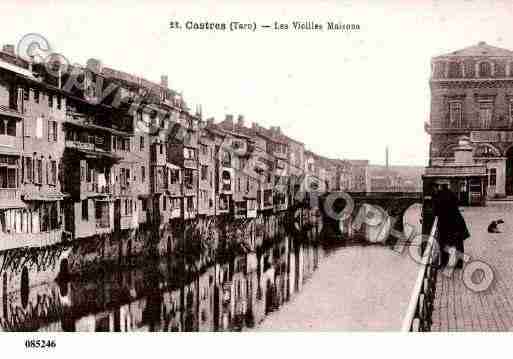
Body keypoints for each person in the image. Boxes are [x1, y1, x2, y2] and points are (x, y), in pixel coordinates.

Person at [432, 182, 470, 269]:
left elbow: (436, 212)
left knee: (443, 243)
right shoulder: (452, 194)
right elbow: (457, 203)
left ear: (440, 187)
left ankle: (444, 263)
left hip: (447, 224)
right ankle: (459, 264)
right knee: (458, 244)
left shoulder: (439, 196)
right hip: (457, 221)